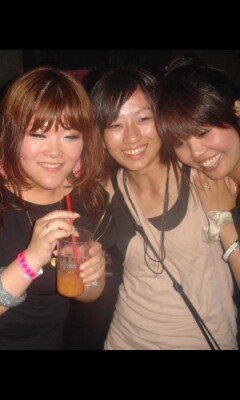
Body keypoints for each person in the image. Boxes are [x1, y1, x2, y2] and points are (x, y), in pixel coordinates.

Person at [0, 66, 111, 350]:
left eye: (70, 136)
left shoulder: (90, 199)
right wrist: (31, 260)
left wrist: (94, 275)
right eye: (39, 134)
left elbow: (87, 294)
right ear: (12, 135)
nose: (55, 152)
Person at [90, 66, 238, 349]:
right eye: (115, 125)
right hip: (125, 340)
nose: (131, 137)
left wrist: (224, 219)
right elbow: (86, 286)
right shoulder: (104, 193)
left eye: (143, 118)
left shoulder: (206, 173)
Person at [155, 58, 240, 344]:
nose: (197, 153)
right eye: (180, 142)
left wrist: (223, 221)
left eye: (203, 132)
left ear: (236, 111)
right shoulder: (207, 180)